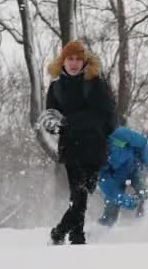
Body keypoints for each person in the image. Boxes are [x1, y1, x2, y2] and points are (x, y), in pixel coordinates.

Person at [39, 41, 117, 245]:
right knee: (79, 195)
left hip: (95, 148)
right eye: (69, 59)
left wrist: (70, 121)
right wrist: (52, 125)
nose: (74, 63)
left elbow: (105, 115)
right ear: (62, 61)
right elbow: (51, 117)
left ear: (84, 61)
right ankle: (74, 236)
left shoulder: (96, 84)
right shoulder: (56, 87)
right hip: (71, 148)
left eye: (78, 59)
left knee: (82, 194)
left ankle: (63, 232)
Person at [96, 126, 148, 227]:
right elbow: (109, 188)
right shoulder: (98, 161)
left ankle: (145, 222)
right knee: (111, 204)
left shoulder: (120, 134)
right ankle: (101, 230)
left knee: (144, 192)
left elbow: (142, 143)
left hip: (135, 169)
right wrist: (124, 200)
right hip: (116, 177)